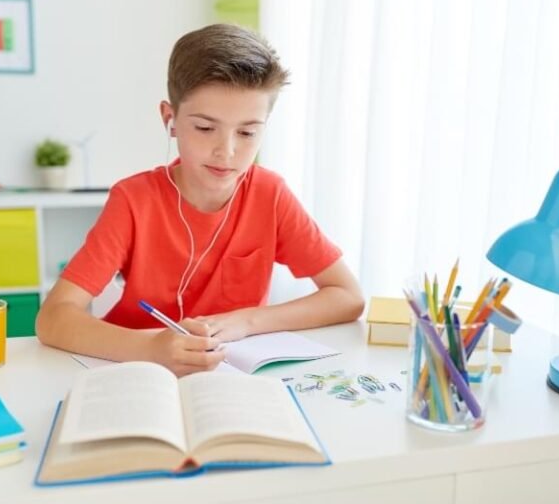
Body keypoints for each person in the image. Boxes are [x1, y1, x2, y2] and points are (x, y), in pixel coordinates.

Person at [36, 24, 364, 376]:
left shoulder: (270, 195)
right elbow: (54, 318)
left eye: (248, 132)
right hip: (136, 371)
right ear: (170, 119)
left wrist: (246, 321)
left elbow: (347, 296)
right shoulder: (133, 200)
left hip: (227, 376)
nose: (227, 151)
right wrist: (149, 348)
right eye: (206, 128)